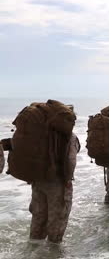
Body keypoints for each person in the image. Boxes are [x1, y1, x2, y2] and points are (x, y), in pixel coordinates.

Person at [2, 100, 79, 243]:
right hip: (57, 182)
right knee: (57, 221)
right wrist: (67, 180)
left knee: (38, 217)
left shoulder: (39, 133)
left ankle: (33, 249)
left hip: (38, 180)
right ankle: (53, 253)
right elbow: (70, 160)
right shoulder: (69, 137)